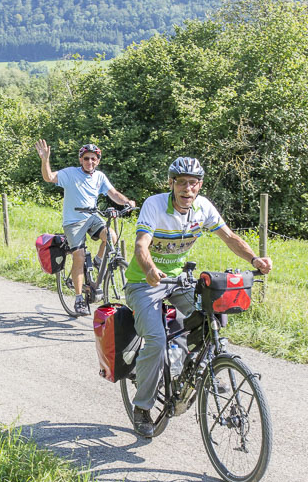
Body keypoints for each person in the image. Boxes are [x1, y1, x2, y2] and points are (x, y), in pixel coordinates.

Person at [123, 157, 272, 438]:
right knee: (156, 340)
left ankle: (194, 369)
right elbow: (141, 245)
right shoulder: (154, 205)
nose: (187, 188)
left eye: (193, 183)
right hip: (144, 283)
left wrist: (255, 259)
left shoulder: (203, 207)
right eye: (181, 182)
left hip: (179, 281)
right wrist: (150, 269)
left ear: (199, 185)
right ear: (171, 184)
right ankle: (142, 407)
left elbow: (229, 238)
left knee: (210, 319)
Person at [35, 139, 135, 314]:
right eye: (86, 158)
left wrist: (127, 202)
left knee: (111, 236)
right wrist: (45, 160)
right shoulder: (70, 173)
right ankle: (79, 299)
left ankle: (97, 261)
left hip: (92, 217)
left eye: (93, 158)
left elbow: (114, 194)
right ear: (81, 159)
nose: (90, 161)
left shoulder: (99, 177)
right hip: (73, 222)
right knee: (79, 256)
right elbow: (48, 177)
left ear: (98, 161)